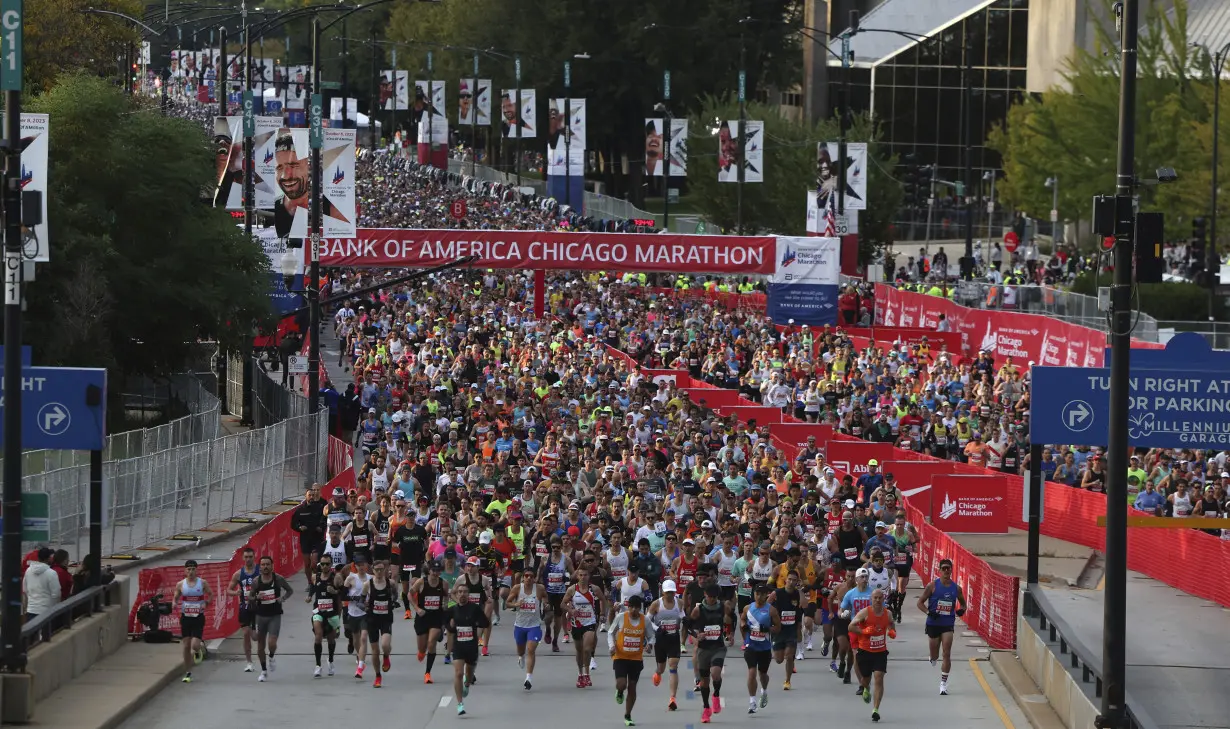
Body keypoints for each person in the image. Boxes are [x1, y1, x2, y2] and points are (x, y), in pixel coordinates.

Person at [916, 558, 967, 695]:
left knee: (946, 653)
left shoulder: (956, 588)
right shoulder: (932, 586)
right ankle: (932, 658)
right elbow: (920, 603)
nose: (946, 571)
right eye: (943, 568)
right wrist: (929, 612)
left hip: (947, 624)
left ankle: (943, 684)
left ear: (951, 570)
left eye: (948, 568)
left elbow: (963, 604)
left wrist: (962, 610)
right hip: (933, 623)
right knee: (935, 655)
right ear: (939, 570)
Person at [850, 588, 896, 722]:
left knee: (879, 677)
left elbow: (892, 625)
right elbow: (850, 627)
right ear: (871, 599)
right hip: (864, 651)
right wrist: (864, 631)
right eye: (875, 598)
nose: (877, 600)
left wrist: (892, 631)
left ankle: (875, 709)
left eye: (880, 598)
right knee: (865, 679)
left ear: (883, 599)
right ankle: (865, 687)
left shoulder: (888, 614)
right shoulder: (865, 612)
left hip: (880, 651)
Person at [247, 555, 294, 682]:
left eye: (268, 564)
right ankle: (263, 671)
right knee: (260, 645)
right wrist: (257, 597)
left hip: (274, 615)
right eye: (263, 565)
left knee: (272, 643)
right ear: (260, 567)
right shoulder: (256, 581)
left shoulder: (278, 579)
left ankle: (272, 656)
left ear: (272, 566)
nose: (265, 567)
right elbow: (250, 598)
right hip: (260, 616)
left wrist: (282, 599)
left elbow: (290, 591)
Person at [446, 581, 489, 716]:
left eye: (465, 592)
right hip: (458, 646)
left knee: (468, 675)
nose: (462, 594)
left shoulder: (474, 608)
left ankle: (467, 685)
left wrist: (476, 622)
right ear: (456, 595)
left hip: (471, 646)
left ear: (468, 594)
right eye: (460, 592)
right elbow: (446, 624)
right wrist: (450, 626)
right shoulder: (452, 610)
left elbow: (485, 623)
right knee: (459, 673)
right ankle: (460, 704)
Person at [609, 594, 651, 727]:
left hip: (636, 658)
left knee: (632, 687)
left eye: (636, 607)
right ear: (628, 607)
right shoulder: (621, 617)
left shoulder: (645, 620)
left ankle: (628, 715)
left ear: (640, 608)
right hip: (621, 656)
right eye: (631, 607)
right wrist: (611, 646)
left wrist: (650, 645)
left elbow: (651, 636)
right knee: (622, 684)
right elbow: (610, 632)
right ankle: (620, 691)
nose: (633, 610)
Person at [690, 582, 729, 723]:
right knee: (704, 681)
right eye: (710, 596)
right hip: (704, 649)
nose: (712, 599)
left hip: (718, 647)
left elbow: (731, 619)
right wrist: (696, 635)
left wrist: (728, 630)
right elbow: (688, 625)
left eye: (715, 597)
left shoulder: (722, 606)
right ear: (705, 595)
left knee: (716, 673)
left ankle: (716, 696)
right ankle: (706, 708)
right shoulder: (698, 609)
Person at [563, 563, 603, 688]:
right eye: (580, 575)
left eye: (585, 575)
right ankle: (580, 674)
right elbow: (562, 604)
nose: (583, 577)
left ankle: (587, 674)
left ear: (589, 576)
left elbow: (603, 600)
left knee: (587, 649)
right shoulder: (572, 590)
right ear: (577, 576)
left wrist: (602, 614)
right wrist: (571, 611)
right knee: (579, 651)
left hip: (590, 622)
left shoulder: (594, 589)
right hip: (577, 623)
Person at [741, 583, 779, 714]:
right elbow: (742, 620)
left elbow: (778, 628)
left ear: (766, 595)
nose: (759, 596)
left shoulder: (771, 610)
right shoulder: (747, 608)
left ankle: (764, 691)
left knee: (762, 674)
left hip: (764, 647)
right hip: (751, 646)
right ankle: (752, 702)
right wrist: (744, 627)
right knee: (751, 672)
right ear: (754, 594)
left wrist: (768, 629)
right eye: (757, 593)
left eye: (762, 594)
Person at [409, 561, 450, 683]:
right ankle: (422, 652)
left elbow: (446, 596)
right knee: (422, 648)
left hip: (436, 616)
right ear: (429, 570)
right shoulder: (421, 582)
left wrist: (445, 606)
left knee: (431, 642)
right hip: (423, 616)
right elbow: (409, 595)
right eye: (434, 571)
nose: (436, 573)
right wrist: (417, 609)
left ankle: (427, 673)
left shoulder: (444, 583)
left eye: (438, 571)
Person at [647, 579, 684, 711]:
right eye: (668, 592)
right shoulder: (656, 604)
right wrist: (657, 629)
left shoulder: (679, 603)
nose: (670, 595)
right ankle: (657, 673)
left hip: (673, 638)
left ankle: (672, 698)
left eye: (672, 592)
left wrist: (685, 622)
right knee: (661, 668)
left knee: (673, 666)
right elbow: (647, 621)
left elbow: (682, 616)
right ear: (663, 592)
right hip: (661, 639)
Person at [172, 559, 212, 683]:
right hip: (186, 617)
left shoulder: (202, 583)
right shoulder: (180, 584)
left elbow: (210, 594)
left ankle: (198, 650)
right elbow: (176, 597)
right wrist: (174, 603)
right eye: (188, 569)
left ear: (196, 570)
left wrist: (206, 602)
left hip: (198, 617)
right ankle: (188, 672)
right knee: (186, 646)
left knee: (194, 645)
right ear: (185, 571)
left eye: (193, 569)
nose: (191, 572)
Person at [507, 568, 546, 689]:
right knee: (521, 650)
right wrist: (516, 604)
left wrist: (546, 604)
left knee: (531, 649)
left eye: (531, 576)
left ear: (534, 578)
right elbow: (507, 603)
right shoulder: (517, 588)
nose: (529, 578)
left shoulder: (539, 588)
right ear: (523, 577)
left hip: (534, 625)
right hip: (520, 625)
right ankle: (520, 657)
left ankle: (528, 677)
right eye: (527, 576)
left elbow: (545, 598)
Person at [364, 560, 398, 688]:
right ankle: (378, 676)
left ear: (385, 570)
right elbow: (362, 599)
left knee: (385, 644)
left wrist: (393, 602)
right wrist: (365, 607)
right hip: (372, 619)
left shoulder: (391, 583)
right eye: (376, 569)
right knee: (375, 650)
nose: (379, 572)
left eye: (381, 569)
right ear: (372, 571)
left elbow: (395, 595)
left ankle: (386, 656)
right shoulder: (368, 584)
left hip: (386, 618)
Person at [308, 552, 343, 677]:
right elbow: (313, 588)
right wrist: (309, 596)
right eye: (322, 564)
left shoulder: (336, 577)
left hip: (332, 612)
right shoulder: (315, 577)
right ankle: (318, 665)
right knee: (318, 636)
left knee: (331, 639)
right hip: (318, 611)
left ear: (331, 564)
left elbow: (342, 594)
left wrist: (335, 591)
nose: (324, 566)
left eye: (327, 564)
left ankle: (331, 660)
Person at [227, 547, 260, 672]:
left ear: (254, 557)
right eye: (246, 557)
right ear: (242, 558)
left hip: (258, 606)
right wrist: (236, 593)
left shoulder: (260, 571)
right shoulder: (239, 574)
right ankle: (249, 662)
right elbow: (228, 589)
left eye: (250, 557)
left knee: (256, 637)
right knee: (246, 634)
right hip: (244, 607)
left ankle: (263, 657)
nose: (248, 559)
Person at [769, 569, 802, 689]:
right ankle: (781, 653)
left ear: (797, 582)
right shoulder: (777, 593)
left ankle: (787, 681)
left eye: (794, 580)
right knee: (778, 659)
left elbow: (803, 607)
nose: (791, 582)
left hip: (791, 630)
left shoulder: (797, 594)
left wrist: (799, 630)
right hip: (779, 630)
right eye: (789, 579)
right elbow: (767, 606)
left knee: (789, 656)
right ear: (785, 580)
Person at [343, 556, 373, 678]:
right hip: (352, 612)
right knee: (356, 639)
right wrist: (355, 599)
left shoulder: (371, 579)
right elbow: (343, 596)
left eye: (363, 564)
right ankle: (359, 655)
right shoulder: (351, 578)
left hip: (365, 613)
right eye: (358, 565)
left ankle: (360, 665)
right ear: (355, 566)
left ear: (367, 566)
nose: (361, 567)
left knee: (364, 637)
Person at [291, 484, 327, 586]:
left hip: (317, 539)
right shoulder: (300, 510)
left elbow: (325, 520)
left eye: (313, 495)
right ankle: (310, 583)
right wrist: (299, 528)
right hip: (305, 540)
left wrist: (321, 527)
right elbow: (293, 524)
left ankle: (318, 580)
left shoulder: (320, 507)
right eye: (309, 495)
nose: (312, 496)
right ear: (305, 496)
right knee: (307, 564)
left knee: (314, 563)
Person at [22, 547, 61, 623]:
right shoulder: (52, 573)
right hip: (47, 611)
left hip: (31, 610)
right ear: (49, 558)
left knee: (33, 634)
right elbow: (56, 594)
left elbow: (25, 590)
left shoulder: (28, 570)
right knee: (47, 634)